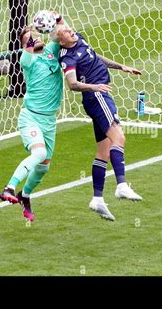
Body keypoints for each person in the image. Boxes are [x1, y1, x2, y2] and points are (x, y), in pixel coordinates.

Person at [55, 24, 142, 221]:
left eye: (69, 28)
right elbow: (72, 84)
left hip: (98, 97)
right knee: (119, 137)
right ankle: (121, 185)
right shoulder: (68, 58)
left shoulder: (79, 39)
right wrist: (95, 87)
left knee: (103, 151)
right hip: (97, 97)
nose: (71, 31)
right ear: (61, 42)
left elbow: (95, 56)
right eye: (66, 32)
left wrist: (121, 67)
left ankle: (97, 199)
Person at [0, 13, 66, 221]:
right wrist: (28, 35)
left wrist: (58, 21)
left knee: (44, 167)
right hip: (31, 118)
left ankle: (25, 195)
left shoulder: (51, 51)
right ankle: (9, 187)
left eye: (36, 36)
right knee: (38, 153)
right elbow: (27, 48)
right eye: (29, 38)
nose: (34, 39)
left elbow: (64, 36)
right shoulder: (27, 59)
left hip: (49, 121)